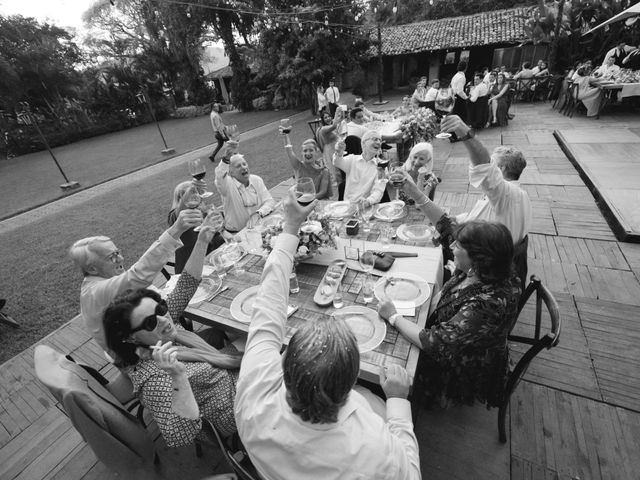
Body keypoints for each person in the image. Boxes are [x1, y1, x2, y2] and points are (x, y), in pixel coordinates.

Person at [234, 189, 421, 480]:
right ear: (353, 383)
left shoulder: (252, 390)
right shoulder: (374, 451)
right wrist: (398, 401)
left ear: (284, 365)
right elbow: (410, 473)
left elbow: (267, 307)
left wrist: (291, 227)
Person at [103, 226, 242, 448]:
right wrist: (177, 376)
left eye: (160, 308)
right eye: (149, 322)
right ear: (130, 338)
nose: (163, 319)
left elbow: (186, 284)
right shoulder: (153, 375)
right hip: (237, 410)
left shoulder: (164, 329)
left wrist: (202, 240)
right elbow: (179, 436)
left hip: (229, 373)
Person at [378, 220, 521, 408]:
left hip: (463, 362)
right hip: (453, 334)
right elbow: (445, 228)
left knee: (392, 358)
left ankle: (420, 400)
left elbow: (435, 343)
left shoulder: (487, 304)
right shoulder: (484, 271)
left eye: (458, 245)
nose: (452, 246)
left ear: (478, 259)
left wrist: (394, 317)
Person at [70, 210, 203, 353]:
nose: (121, 259)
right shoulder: (96, 292)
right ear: (93, 269)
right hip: (153, 355)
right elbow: (138, 276)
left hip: (157, 337)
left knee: (187, 287)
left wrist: (203, 239)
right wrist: (176, 229)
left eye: (118, 252)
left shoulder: (103, 279)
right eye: (112, 257)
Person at [399, 114, 531, 255]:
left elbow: (484, 168)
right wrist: (459, 219)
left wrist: (466, 134)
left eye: (493, 161)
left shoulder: (508, 195)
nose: (489, 162)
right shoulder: (514, 195)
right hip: (483, 249)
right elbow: (480, 217)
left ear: (502, 169)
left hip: (482, 261)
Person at [167, 182, 226, 273]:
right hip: (187, 269)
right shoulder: (176, 217)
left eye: (196, 194)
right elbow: (179, 211)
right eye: (189, 196)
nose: (194, 199)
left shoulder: (203, 213)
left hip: (209, 263)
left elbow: (215, 237)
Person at [214, 153, 276, 234]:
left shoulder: (256, 180)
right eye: (238, 166)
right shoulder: (227, 185)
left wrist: (258, 214)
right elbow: (219, 177)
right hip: (236, 234)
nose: (244, 167)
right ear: (231, 172)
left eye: (244, 164)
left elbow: (270, 202)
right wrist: (226, 159)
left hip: (258, 228)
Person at [333, 130, 387, 206]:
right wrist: (338, 152)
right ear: (364, 143)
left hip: (367, 208)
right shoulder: (352, 160)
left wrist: (368, 201)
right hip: (348, 206)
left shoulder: (382, 167)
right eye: (375, 139)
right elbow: (337, 162)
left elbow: (378, 190)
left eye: (380, 140)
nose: (378, 142)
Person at [281, 134, 331, 200]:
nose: (307, 153)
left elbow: (322, 192)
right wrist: (285, 135)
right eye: (305, 151)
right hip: (300, 202)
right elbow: (289, 151)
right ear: (302, 153)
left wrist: (307, 200)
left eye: (311, 150)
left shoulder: (324, 171)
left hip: (316, 201)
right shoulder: (298, 166)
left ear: (316, 152)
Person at [316, 107, 346, 199]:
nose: (328, 118)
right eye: (325, 117)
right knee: (336, 174)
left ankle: (344, 189)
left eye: (329, 116)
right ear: (322, 120)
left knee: (341, 169)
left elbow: (341, 120)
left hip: (335, 148)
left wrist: (342, 112)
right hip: (330, 151)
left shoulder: (329, 126)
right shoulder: (324, 129)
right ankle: (338, 195)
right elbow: (334, 126)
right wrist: (336, 111)